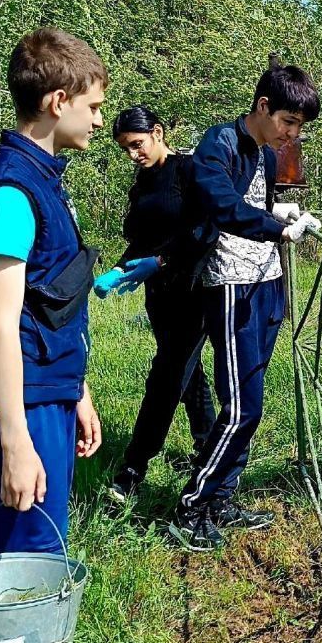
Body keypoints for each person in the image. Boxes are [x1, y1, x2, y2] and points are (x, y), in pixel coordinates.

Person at [0, 27, 107, 556]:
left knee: (42, 561)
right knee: (21, 567)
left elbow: (48, 304)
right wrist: (16, 441)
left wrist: (75, 389)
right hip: (15, 410)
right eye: (93, 107)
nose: (99, 121)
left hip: (43, 394)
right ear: (57, 102)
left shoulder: (43, 182)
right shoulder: (12, 191)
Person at [167, 64, 322, 551]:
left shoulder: (266, 155)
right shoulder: (218, 144)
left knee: (250, 399)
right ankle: (191, 505)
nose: (293, 134)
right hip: (230, 285)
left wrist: (278, 211)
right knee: (241, 407)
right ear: (263, 106)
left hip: (266, 281)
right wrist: (277, 228)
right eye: (289, 122)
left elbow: (251, 203)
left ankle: (222, 498)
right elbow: (221, 207)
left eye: (299, 126)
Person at [95, 106, 217, 503]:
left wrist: (162, 260)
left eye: (137, 144)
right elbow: (141, 239)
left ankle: (133, 468)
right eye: (126, 149)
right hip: (159, 295)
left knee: (165, 378)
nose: (133, 154)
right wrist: (118, 269)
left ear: (158, 133)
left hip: (193, 290)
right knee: (186, 372)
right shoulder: (144, 181)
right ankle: (207, 447)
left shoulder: (189, 171)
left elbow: (204, 230)